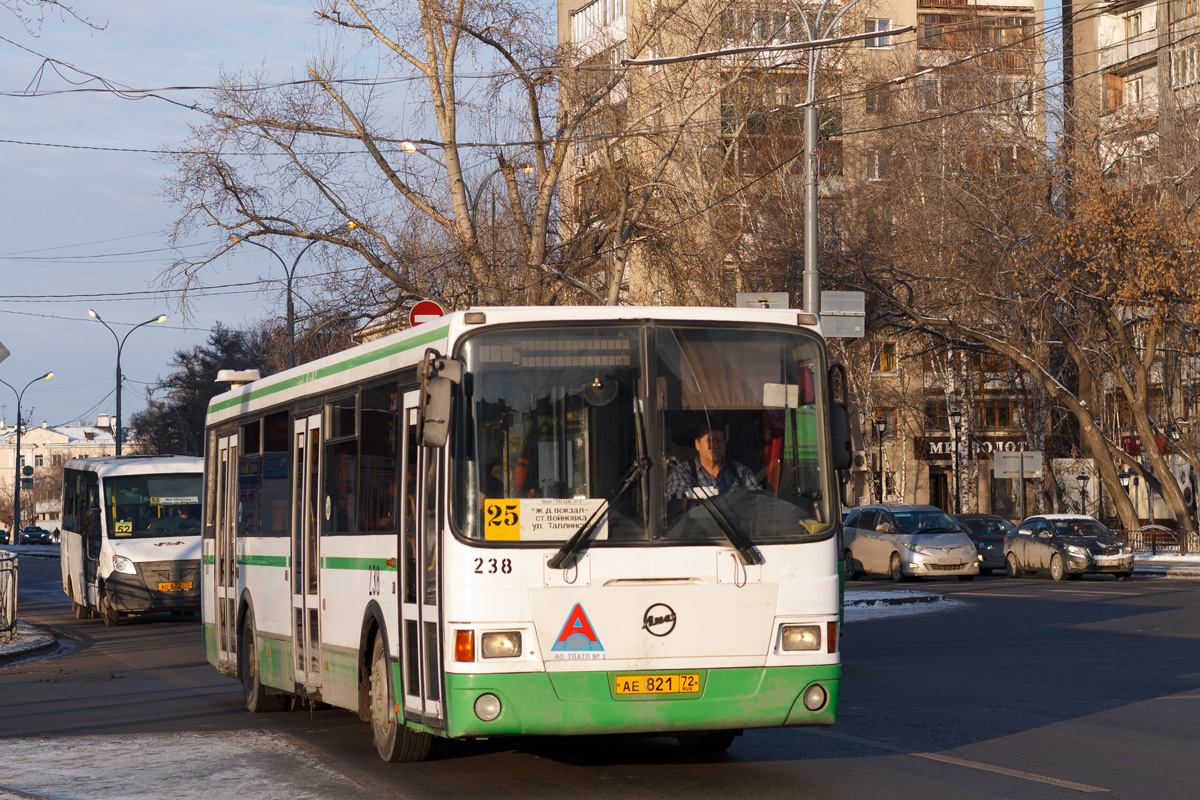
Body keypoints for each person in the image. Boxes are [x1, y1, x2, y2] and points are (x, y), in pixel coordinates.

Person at [667, 422, 761, 499]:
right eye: (710, 441)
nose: (715, 446)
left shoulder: (742, 473)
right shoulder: (683, 473)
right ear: (697, 444)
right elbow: (675, 509)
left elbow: (758, 502)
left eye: (719, 441)